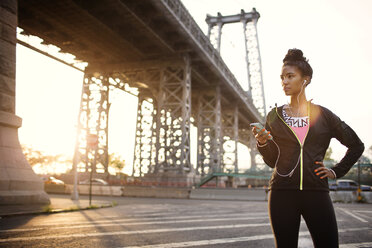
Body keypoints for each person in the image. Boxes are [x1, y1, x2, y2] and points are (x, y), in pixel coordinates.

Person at [252, 48, 364, 248]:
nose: (284, 82)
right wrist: (262, 142)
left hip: (316, 192)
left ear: (306, 79)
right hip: (281, 192)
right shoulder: (274, 116)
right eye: (282, 77)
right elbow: (271, 161)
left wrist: (336, 171)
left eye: (290, 76)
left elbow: (356, 145)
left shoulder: (324, 115)